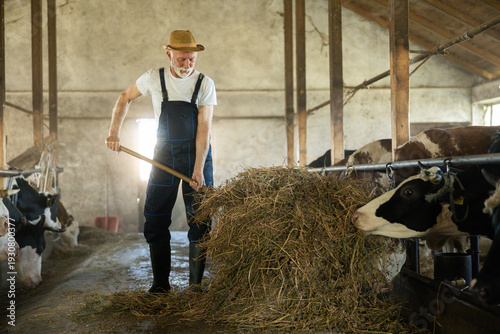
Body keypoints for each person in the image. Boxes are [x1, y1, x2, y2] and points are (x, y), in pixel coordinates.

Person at [106, 30, 216, 293]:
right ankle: (160, 284)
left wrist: (198, 169)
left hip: (196, 155)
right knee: (155, 219)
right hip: (163, 154)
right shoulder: (153, 78)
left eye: (192, 60)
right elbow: (124, 98)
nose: (188, 65)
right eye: (181, 60)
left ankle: (195, 286)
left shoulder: (205, 84)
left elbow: (204, 129)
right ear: (169, 55)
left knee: (200, 220)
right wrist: (114, 133)